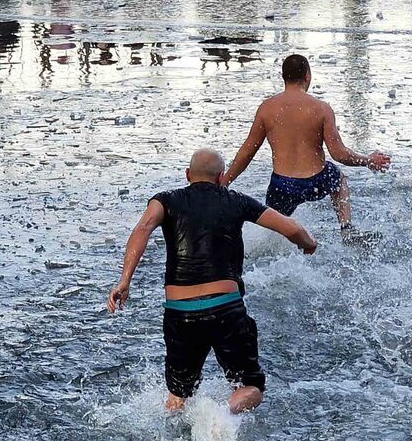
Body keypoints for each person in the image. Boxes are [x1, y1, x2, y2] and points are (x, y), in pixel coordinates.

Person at [107, 149, 318, 414]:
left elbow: (143, 228)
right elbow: (292, 228)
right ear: (220, 178)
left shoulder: (165, 201)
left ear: (187, 175)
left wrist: (124, 281)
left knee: (178, 396)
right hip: (225, 309)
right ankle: (223, 413)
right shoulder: (236, 200)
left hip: (179, 312)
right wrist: (308, 244)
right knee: (250, 387)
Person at [222, 54, 391, 244]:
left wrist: (225, 181)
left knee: (271, 234)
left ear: (283, 76)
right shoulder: (321, 108)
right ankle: (346, 229)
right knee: (338, 179)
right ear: (308, 76)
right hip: (316, 180)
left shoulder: (266, 108)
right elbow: (338, 153)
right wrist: (366, 160)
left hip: (282, 185)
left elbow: (248, 151)